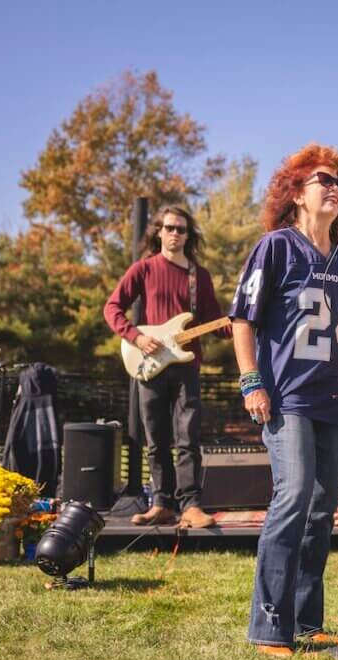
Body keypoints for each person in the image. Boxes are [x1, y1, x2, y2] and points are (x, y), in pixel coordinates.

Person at [231, 143, 338, 657]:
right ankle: (269, 623)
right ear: (296, 192)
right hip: (287, 398)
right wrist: (251, 381)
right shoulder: (275, 247)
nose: (336, 188)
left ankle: (306, 619)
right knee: (293, 494)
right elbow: (242, 320)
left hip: (336, 400)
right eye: (324, 179)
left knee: (322, 510)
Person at [104, 205, 227, 529]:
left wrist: (242, 324)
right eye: (170, 227)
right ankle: (161, 504)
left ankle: (191, 505)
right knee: (156, 438)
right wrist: (136, 337)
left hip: (187, 365)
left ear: (189, 235)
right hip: (148, 363)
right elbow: (113, 307)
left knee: (187, 437)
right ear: (158, 231)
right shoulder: (143, 269)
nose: (175, 233)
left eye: (181, 229)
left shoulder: (198, 275)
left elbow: (214, 320)